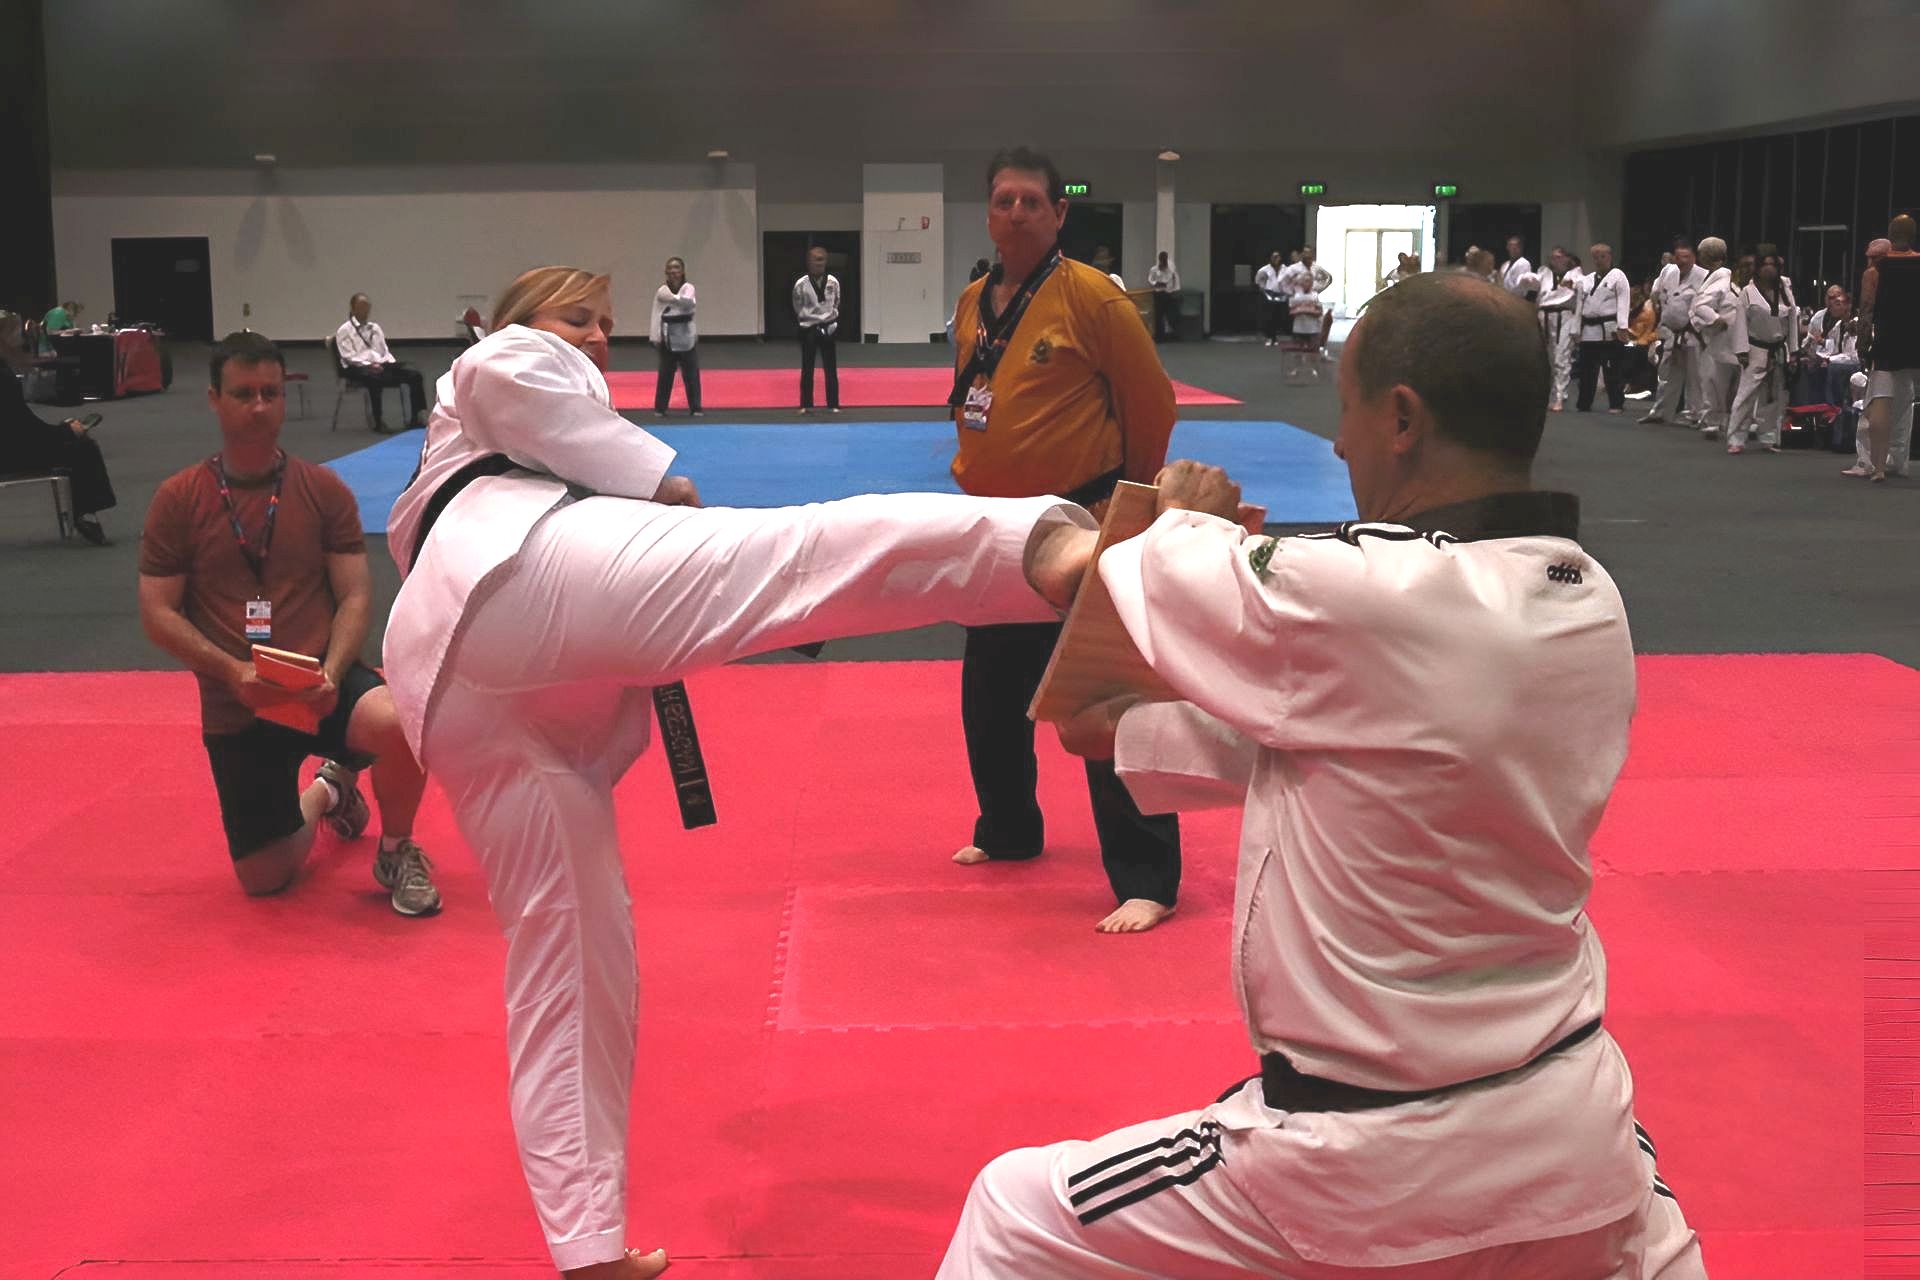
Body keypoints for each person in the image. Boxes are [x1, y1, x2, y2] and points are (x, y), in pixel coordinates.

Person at [936, 273, 1705, 1280]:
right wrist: (1132, 737)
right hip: (1577, 1131)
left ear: (1399, 418)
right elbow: (1368, 743)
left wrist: (1183, 509)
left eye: (1344, 409)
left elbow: (1157, 566)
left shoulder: (1364, 592)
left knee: (1010, 1212)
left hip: (1369, 1159)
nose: (1336, 444)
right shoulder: (1585, 596)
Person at [384, 263, 1113, 1278]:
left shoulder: (520, 444)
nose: (595, 336)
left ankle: (585, 1243)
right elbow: (511, 379)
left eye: (604, 320)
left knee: (576, 964)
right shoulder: (502, 363)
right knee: (795, 556)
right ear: (523, 322)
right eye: (574, 317)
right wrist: (659, 482)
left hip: (462, 688)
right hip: (510, 578)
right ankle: (1052, 551)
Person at [946, 146, 1182, 934]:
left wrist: (1130, 500)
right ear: (988, 211)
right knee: (991, 695)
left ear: (1058, 214)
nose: (1015, 213)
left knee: (1101, 695)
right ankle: (1008, 830)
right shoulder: (976, 299)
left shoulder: (1092, 298)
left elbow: (1151, 401)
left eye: (1031, 202)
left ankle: (1145, 874)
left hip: (1082, 520)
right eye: (1003, 200)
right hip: (996, 525)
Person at [137, 331, 437, 914]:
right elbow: (157, 613)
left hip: (321, 686)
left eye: (270, 393)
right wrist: (232, 673)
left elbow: (354, 596)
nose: (258, 407)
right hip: (239, 703)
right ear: (214, 399)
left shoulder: (323, 491)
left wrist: (330, 673)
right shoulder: (178, 499)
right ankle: (331, 789)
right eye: (243, 393)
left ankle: (397, 849)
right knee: (265, 879)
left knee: (406, 722)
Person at [0, 311, 117, 544]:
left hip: (9, 444)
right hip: (8, 453)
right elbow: (21, 432)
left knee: (72, 440)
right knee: (81, 446)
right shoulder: (3, 378)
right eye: (13, 331)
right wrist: (65, 431)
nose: (20, 336)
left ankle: (84, 513)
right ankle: (86, 513)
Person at [1859, 216, 1920, 482]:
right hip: (1916, 337)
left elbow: (1866, 311)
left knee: (1881, 400)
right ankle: (1898, 462)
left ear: (1890, 235)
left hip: (1888, 339)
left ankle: (1879, 468)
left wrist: (1863, 345)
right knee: (1906, 401)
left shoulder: (1876, 270)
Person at [1725, 248, 1799, 454]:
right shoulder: (1748, 292)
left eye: (1773, 264)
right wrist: (1742, 352)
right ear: (1757, 267)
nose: (1769, 269)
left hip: (1778, 349)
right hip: (1755, 349)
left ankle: (1769, 437)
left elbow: (1792, 319)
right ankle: (1736, 438)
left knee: (1774, 396)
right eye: (1765, 264)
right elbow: (1740, 324)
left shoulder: (1785, 288)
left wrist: (1794, 351)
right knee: (1746, 394)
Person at [334, 293, 430, 432]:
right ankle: (378, 422)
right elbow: (348, 356)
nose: (365, 311)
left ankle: (417, 417)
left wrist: (389, 363)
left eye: (367, 308)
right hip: (356, 368)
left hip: (380, 365)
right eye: (361, 307)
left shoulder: (375, 328)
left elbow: (384, 351)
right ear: (353, 309)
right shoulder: (344, 330)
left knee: (414, 374)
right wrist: (369, 365)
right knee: (374, 379)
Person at [1642, 240, 1709, 425]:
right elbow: (1656, 293)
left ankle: (1696, 415)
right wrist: (1657, 307)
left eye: (1686, 257)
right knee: (1666, 374)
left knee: (1695, 377)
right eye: (1679, 257)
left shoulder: (1703, 276)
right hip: (1670, 332)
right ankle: (1661, 412)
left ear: (1694, 258)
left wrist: (1697, 328)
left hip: (1693, 334)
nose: (1682, 261)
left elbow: (1705, 306)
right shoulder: (1668, 271)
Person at [1690, 237, 1743, 440]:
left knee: (1714, 382)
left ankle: (1713, 422)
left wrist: (1715, 320)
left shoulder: (1720, 280)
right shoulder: (1729, 280)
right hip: (1733, 339)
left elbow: (1700, 307)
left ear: (1704, 256)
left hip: (1720, 339)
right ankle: (1729, 423)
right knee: (1731, 385)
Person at [1575, 243, 1632, 414]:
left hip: (1609, 330)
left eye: (1603, 256)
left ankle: (1616, 403)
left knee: (1612, 370)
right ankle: (1584, 403)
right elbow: (1579, 306)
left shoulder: (1618, 276)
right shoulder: (1586, 280)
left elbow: (1624, 301)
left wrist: (1623, 326)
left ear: (1610, 257)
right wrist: (1575, 329)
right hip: (1588, 331)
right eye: (1596, 257)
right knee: (1586, 371)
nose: (1599, 260)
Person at [648, 257, 701, 417]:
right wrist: (655, 336)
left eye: (677, 268)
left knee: (691, 375)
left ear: (683, 271)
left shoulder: (688, 288)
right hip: (667, 339)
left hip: (686, 339)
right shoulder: (662, 290)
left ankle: (696, 408)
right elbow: (656, 315)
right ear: (666, 272)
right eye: (670, 268)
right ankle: (660, 408)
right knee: (665, 375)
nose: (673, 271)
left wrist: (672, 300)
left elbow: (688, 304)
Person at [792, 245, 841, 414]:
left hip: (828, 327)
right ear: (808, 262)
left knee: (831, 368)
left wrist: (829, 320)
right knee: (807, 368)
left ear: (826, 261)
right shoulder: (801, 284)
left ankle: (833, 404)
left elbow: (836, 302)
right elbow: (797, 305)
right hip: (809, 328)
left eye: (822, 260)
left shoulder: (833, 282)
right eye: (816, 259)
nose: (819, 263)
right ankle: (806, 404)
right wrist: (807, 319)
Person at [1537, 247, 1579, 412]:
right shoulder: (1544, 274)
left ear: (1567, 258)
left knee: (1561, 357)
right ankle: (1550, 395)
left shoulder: (1576, 275)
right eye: (1553, 257)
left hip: (1565, 316)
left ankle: (1560, 396)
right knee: (1548, 360)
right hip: (1545, 316)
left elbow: (1583, 288)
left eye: (1559, 257)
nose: (1556, 260)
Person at [1254, 250, 1288, 347]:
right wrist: (1264, 291)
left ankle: (1275, 337)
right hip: (1269, 294)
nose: (1276, 259)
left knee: (1278, 316)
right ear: (1270, 258)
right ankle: (1270, 337)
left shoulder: (1285, 269)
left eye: (1277, 257)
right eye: (1274, 257)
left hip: (1281, 294)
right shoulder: (1264, 270)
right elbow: (1259, 282)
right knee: (1269, 317)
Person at [1146, 250, 1181, 342]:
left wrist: (1175, 290)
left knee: (1172, 315)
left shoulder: (1171, 267)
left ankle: (1175, 334)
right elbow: (1150, 279)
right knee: (1158, 315)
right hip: (1159, 293)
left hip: (1169, 293)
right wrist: (1155, 283)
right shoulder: (1154, 269)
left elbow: (1174, 279)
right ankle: (1159, 336)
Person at [1499, 234, 1535, 301]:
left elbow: (1520, 290)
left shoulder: (1523, 263)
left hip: (1516, 301)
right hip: (1503, 300)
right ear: (1507, 247)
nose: (1514, 249)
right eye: (1511, 246)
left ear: (1521, 248)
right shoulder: (1505, 265)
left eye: (1516, 247)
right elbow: (1500, 283)